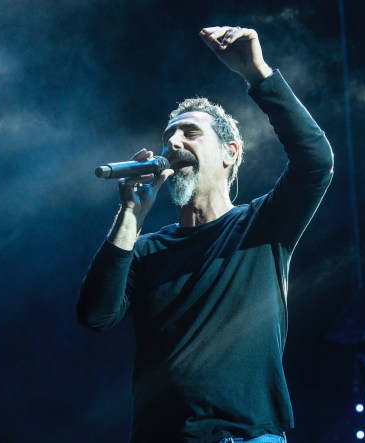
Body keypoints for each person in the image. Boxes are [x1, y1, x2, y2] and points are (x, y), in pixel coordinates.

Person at [78, 25, 334, 443]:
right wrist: (129, 215)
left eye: (190, 133)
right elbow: (95, 317)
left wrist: (257, 73)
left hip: (246, 436)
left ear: (230, 153)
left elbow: (316, 161)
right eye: (168, 136)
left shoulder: (261, 225)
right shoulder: (145, 249)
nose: (172, 142)